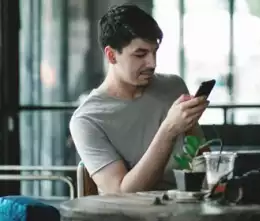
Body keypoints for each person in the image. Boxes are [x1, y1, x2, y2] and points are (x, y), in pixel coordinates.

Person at [69, 4, 209, 194]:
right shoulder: (87, 120)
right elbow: (121, 193)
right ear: (111, 55)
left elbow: (200, 156)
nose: (152, 63)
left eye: (155, 51)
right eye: (140, 54)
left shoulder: (174, 87)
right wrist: (169, 130)